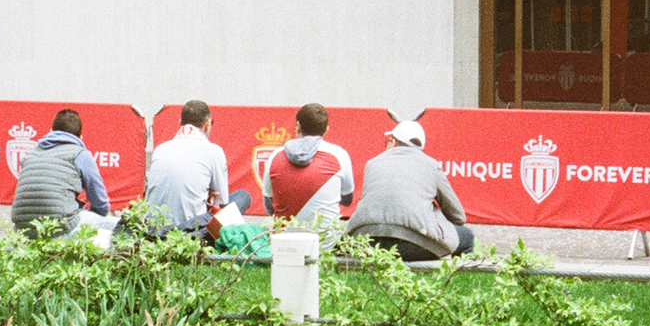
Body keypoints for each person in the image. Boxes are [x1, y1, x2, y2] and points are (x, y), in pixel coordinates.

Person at [346, 120, 474, 262]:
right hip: (413, 244)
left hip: (366, 240)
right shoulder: (431, 165)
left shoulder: (372, 163)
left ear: (393, 142)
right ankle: (455, 279)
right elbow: (458, 216)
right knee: (467, 238)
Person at [143, 99, 249, 236]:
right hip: (187, 233)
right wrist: (208, 198)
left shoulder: (160, 149)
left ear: (180, 123)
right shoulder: (213, 151)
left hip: (153, 231)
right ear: (207, 125)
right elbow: (221, 203)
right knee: (243, 196)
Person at [10, 108, 117, 239]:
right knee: (119, 226)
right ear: (80, 137)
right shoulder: (80, 154)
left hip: (23, 230)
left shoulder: (30, 155)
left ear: (50, 131)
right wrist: (96, 215)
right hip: (61, 227)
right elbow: (100, 202)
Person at [263, 102, 356, 232]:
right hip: (326, 245)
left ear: (298, 126)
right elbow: (347, 200)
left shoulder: (275, 156)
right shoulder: (340, 155)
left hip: (284, 243)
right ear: (326, 130)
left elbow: (269, 206)